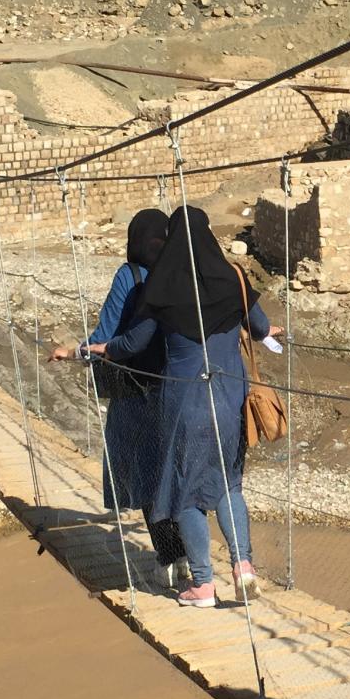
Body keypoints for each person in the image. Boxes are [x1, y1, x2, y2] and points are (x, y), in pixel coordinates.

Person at [100, 206, 280, 608]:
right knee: (229, 485)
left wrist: (98, 348)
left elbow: (132, 343)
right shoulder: (232, 278)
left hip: (184, 404)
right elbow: (261, 327)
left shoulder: (161, 287)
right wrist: (266, 332)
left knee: (184, 494)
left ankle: (201, 584)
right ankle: (243, 567)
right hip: (230, 399)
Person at [51, 210, 190, 586]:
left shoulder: (129, 277)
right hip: (180, 387)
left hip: (134, 389)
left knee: (146, 474)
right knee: (175, 471)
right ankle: (191, 559)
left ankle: (168, 557)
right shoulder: (183, 273)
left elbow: (107, 332)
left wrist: (77, 352)